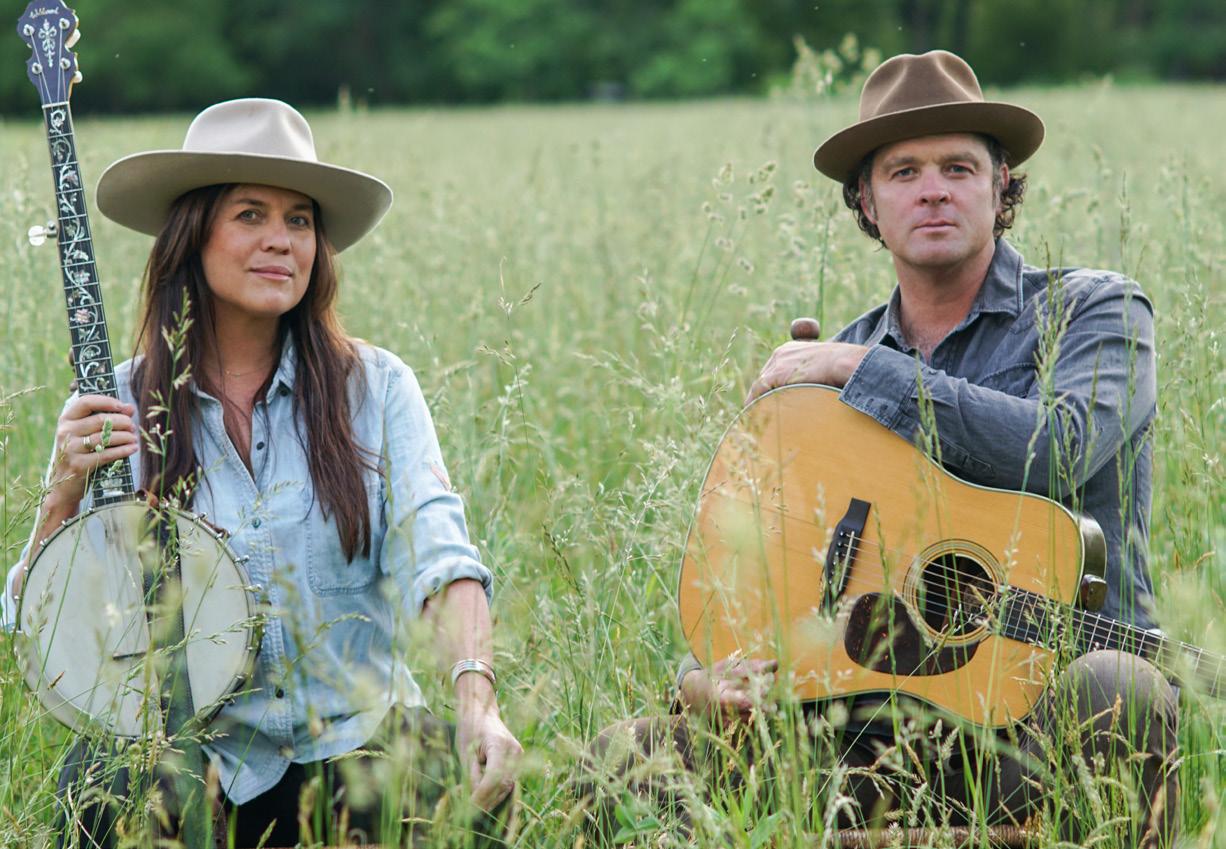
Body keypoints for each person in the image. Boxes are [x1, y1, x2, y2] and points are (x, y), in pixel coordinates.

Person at [585, 51, 1178, 847]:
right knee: (626, 755)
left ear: (1001, 184)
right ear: (866, 200)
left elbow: (1062, 451)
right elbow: (755, 576)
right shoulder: (828, 372)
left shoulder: (1095, 311)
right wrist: (699, 679)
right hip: (863, 738)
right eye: (904, 172)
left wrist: (863, 369)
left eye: (958, 167)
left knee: (1118, 684)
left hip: (1037, 725)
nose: (933, 189)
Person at [3, 98, 521, 847]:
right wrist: (61, 492)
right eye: (251, 214)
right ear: (192, 235)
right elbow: (38, 626)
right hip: (202, 765)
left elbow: (440, 556)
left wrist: (477, 701)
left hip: (359, 747)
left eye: (299, 220)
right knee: (103, 787)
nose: (281, 239)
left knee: (477, 796)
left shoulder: (375, 388)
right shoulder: (117, 405)